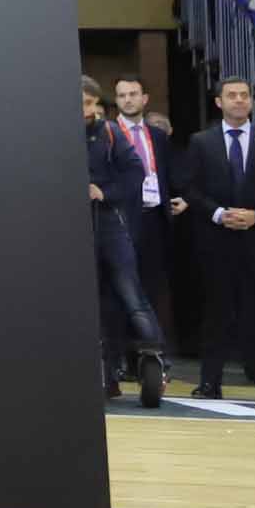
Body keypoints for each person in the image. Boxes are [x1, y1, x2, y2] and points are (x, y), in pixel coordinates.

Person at [174, 74, 255, 401]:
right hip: (219, 240)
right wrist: (219, 214)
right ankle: (209, 383)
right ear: (219, 101)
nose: (239, 100)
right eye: (232, 95)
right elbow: (190, 187)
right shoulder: (201, 142)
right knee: (217, 314)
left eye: (244, 95)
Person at [83, 75, 168, 406]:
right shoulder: (56, 131)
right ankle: (105, 369)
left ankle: (153, 355)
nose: (86, 109)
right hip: (67, 226)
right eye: (81, 102)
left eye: (91, 102)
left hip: (108, 222)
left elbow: (135, 173)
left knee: (129, 290)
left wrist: (105, 192)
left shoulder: (109, 132)